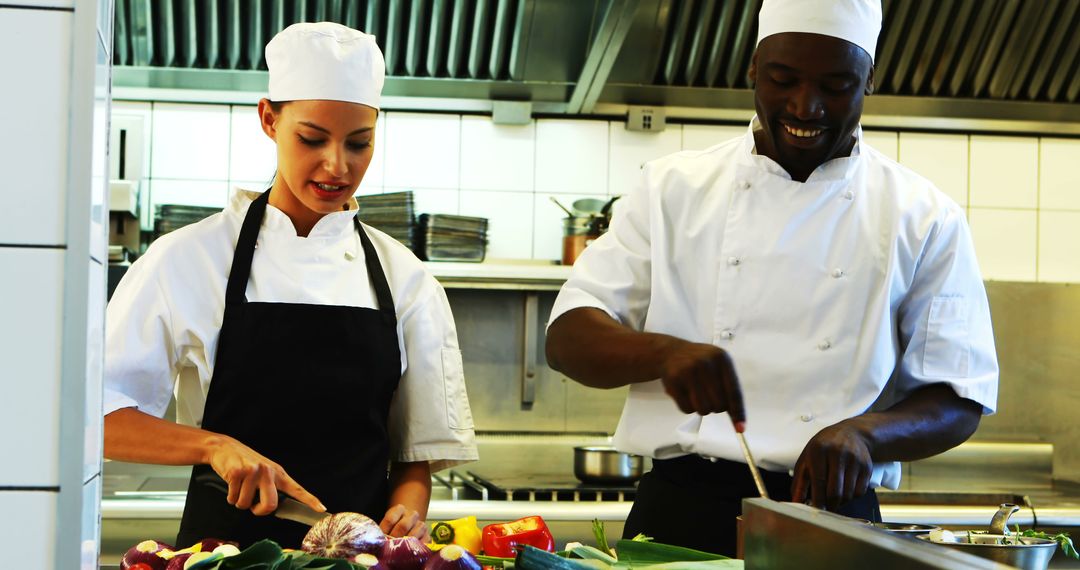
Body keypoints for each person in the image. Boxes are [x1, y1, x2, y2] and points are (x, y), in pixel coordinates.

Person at [545, 0, 998, 556]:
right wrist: (662, 354)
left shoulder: (924, 215)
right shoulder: (671, 188)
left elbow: (959, 397)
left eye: (836, 86)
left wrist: (864, 435)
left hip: (835, 514)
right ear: (754, 69)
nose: (806, 106)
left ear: (869, 81)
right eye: (783, 80)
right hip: (682, 512)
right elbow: (568, 338)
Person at [102, 22, 478, 549]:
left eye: (359, 143)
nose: (337, 165)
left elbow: (414, 457)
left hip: (358, 559)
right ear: (269, 119)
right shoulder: (188, 258)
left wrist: (406, 518)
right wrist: (214, 446)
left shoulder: (407, 279)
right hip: (223, 559)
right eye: (312, 138)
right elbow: (99, 419)